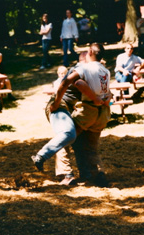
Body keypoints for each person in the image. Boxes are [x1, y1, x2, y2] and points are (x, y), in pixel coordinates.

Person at [30, 49, 106, 186]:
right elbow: (67, 84)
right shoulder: (80, 70)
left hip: (78, 109)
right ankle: (63, 171)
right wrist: (56, 104)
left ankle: (88, 173)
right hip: (61, 105)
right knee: (68, 135)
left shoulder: (94, 71)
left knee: (82, 141)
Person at [51, 43, 112, 187]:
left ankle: (66, 175)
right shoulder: (105, 71)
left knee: (64, 139)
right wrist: (103, 100)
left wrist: (55, 103)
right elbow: (108, 93)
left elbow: (73, 82)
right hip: (102, 113)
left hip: (87, 112)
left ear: (90, 52)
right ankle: (96, 174)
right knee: (90, 146)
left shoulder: (84, 68)